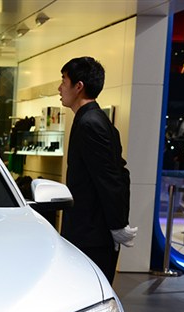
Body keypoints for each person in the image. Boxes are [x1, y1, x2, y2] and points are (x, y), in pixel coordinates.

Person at [58, 56, 136, 284]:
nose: (60, 88)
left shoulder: (90, 123)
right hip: (91, 230)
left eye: (64, 81)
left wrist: (118, 224)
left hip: (91, 233)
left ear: (79, 86)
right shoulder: (92, 119)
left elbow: (111, 178)